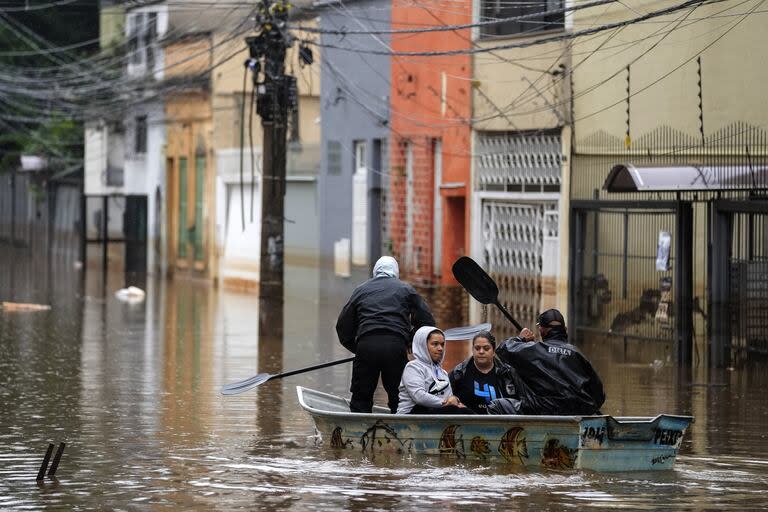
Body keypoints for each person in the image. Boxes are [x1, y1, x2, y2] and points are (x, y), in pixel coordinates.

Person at [336, 256, 435, 413]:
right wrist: (410, 341)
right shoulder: (407, 290)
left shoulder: (360, 290)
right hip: (396, 347)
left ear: (376, 272)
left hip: (366, 346)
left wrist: (358, 348)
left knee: (361, 397)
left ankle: (358, 432)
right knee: (400, 397)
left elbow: (343, 327)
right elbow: (427, 322)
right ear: (395, 272)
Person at [495, 309, 605, 415]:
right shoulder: (578, 354)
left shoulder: (534, 349)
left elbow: (502, 349)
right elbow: (599, 395)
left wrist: (521, 338)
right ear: (565, 329)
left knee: (496, 406)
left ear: (542, 330)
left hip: (541, 409)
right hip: (577, 410)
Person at [397, 326, 472, 414]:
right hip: (410, 416)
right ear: (423, 345)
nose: (440, 348)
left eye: (442, 344)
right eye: (435, 344)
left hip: (433, 414)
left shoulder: (443, 373)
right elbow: (419, 397)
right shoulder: (413, 367)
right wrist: (447, 403)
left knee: (466, 411)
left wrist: (456, 402)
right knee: (453, 410)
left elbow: (450, 398)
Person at [448, 331, 523, 414]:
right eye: (477, 348)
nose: (481, 351)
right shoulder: (459, 373)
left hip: (501, 424)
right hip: (467, 425)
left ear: (493, 351)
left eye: (486, 348)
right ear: (472, 350)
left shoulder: (508, 373)